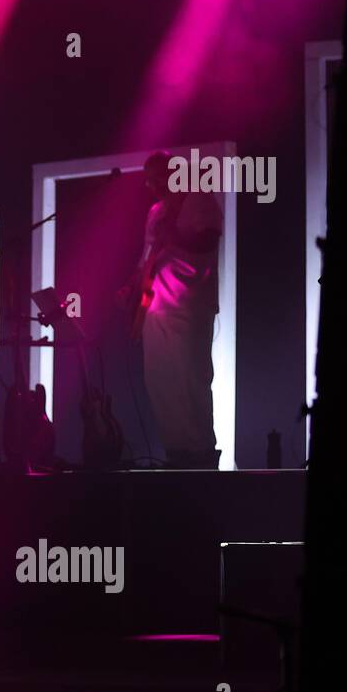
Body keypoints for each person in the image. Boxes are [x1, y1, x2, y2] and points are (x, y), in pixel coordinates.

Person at [130, 150, 223, 469]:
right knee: (159, 379)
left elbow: (207, 241)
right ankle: (176, 451)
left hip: (191, 305)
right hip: (156, 307)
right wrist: (130, 286)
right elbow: (148, 257)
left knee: (191, 377)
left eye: (156, 176)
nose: (151, 184)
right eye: (148, 178)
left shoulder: (199, 199)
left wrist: (174, 236)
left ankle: (201, 453)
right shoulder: (156, 211)